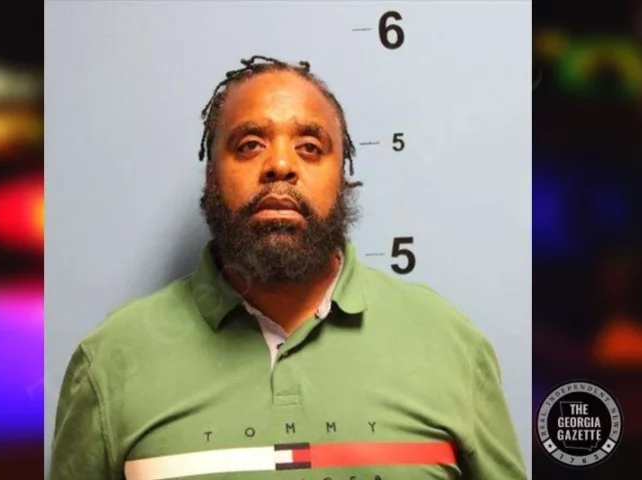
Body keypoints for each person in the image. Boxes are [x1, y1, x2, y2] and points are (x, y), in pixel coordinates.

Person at [50, 55, 526, 480]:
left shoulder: (451, 347)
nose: (280, 164)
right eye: (249, 144)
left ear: (343, 180)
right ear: (211, 175)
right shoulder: (111, 361)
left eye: (310, 147)